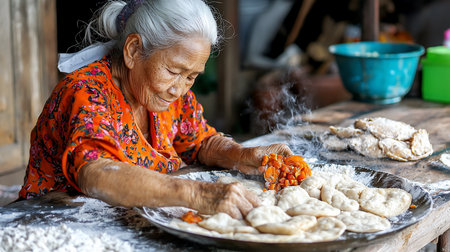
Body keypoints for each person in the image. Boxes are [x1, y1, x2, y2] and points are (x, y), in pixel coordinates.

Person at [19, 0, 293, 219]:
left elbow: (201, 142)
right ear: (134, 50)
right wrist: (199, 194)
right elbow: (96, 173)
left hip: (128, 218)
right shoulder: (86, 91)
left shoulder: (169, 93)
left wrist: (245, 154)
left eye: (191, 76)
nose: (179, 89)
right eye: (173, 71)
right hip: (60, 223)